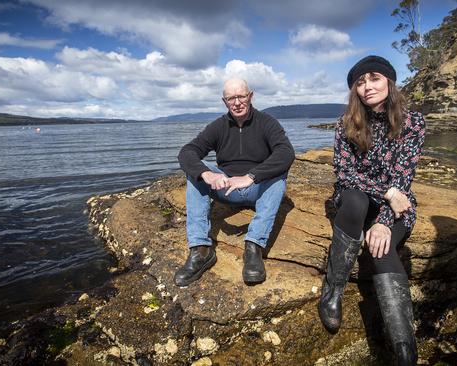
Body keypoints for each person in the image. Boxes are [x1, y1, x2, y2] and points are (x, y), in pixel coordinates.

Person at [318, 55, 425, 365]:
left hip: (397, 206)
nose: (367, 87)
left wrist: (383, 223)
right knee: (353, 198)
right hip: (358, 198)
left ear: (389, 82)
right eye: (360, 83)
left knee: (381, 249)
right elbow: (345, 174)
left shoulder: (413, 122)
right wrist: (386, 191)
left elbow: (403, 179)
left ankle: (405, 350)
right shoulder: (345, 124)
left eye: (374, 79)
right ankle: (332, 292)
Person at [175, 78, 295, 287]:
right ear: (225, 101)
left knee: (278, 178)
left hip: (257, 188)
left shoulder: (267, 122)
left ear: (250, 96)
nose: (237, 102)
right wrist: (207, 174)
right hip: (226, 189)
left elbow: (286, 152)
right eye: (231, 98)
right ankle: (201, 250)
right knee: (196, 172)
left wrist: (251, 177)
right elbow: (187, 152)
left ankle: (253, 247)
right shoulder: (218, 126)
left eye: (241, 96)